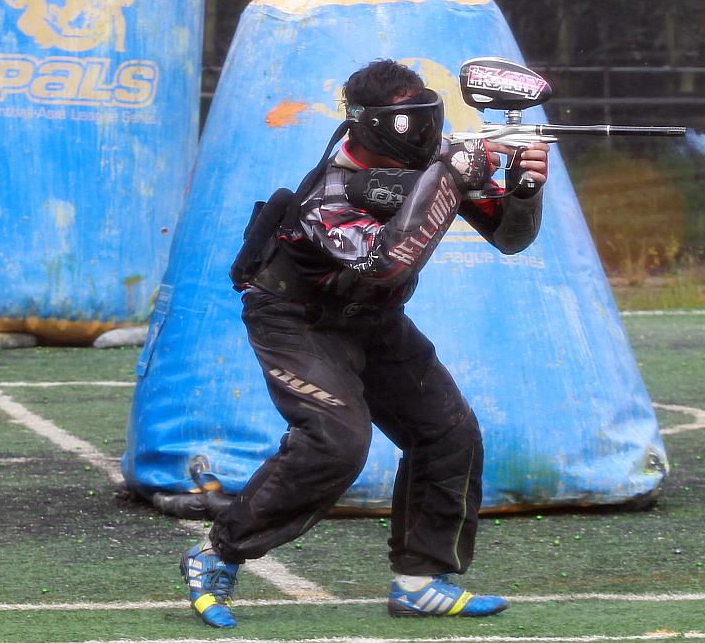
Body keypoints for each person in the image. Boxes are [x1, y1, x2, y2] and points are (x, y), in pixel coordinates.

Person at [181, 59, 551, 628]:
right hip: (295, 321)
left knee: (448, 432)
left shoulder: (435, 161)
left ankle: (421, 581)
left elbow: (510, 238)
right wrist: (449, 176)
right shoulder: (330, 193)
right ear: (376, 125)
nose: (427, 133)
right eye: (411, 121)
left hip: (373, 320)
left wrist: (523, 190)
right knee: (334, 442)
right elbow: (386, 261)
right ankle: (217, 555)